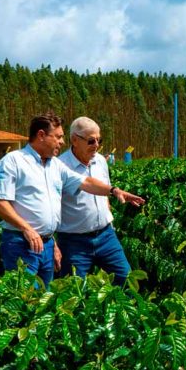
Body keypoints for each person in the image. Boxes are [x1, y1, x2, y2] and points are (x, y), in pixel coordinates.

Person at [0, 111, 144, 288]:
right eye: (58, 137)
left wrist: (114, 191)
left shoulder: (55, 165)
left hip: (45, 245)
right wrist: (27, 229)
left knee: (45, 300)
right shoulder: (14, 161)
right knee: (25, 300)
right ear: (41, 135)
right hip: (22, 243)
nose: (62, 142)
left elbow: (85, 182)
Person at [56, 117, 134, 286]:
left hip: (106, 236)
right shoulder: (60, 166)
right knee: (73, 291)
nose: (97, 145)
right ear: (74, 140)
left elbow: (104, 190)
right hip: (73, 242)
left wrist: (108, 214)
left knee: (127, 280)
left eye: (99, 140)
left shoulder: (100, 161)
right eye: (91, 141)